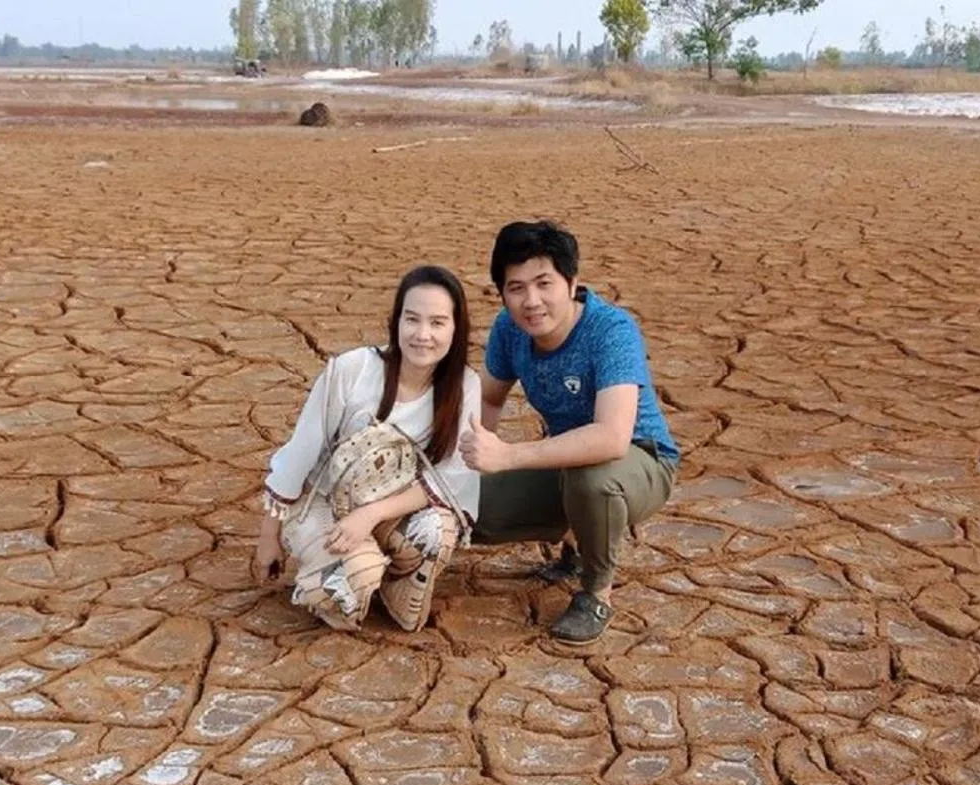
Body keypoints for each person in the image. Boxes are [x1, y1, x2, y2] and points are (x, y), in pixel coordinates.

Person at [460, 220, 679, 644]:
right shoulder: (510, 329)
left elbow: (612, 438)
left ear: (572, 281)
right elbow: (487, 397)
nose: (532, 301)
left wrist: (507, 456)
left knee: (593, 480)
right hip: (564, 463)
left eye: (544, 283)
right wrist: (472, 463)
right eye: (516, 288)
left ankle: (596, 590)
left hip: (640, 460)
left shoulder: (609, 331)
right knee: (470, 511)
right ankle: (578, 529)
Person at [251, 265, 482, 631]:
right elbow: (300, 452)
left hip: (384, 506)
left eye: (438, 323)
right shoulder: (353, 369)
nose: (423, 335)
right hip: (324, 500)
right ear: (396, 322)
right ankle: (335, 580)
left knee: (438, 530)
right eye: (412, 320)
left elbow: (452, 478)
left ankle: (397, 587)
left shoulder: (464, 386)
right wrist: (269, 538)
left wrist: (371, 514)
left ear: (456, 328)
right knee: (358, 575)